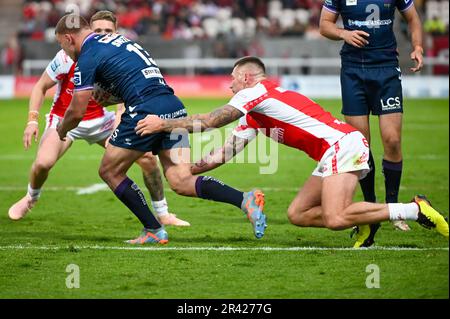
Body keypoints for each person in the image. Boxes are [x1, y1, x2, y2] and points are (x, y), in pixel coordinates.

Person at [135, 56, 449, 245]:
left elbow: (210, 121)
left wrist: (162, 125)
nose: (229, 87)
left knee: (336, 217)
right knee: (297, 214)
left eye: (232, 81)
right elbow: (223, 153)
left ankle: (414, 209)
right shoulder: (256, 114)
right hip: (333, 152)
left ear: (246, 78)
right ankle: (365, 219)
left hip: (342, 145)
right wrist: (186, 174)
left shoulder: (257, 92)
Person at [54, 15, 267, 244]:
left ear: (68, 38)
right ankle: (244, 199)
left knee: (110, 171)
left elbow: (76, 111)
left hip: (144, 110)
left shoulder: (88, 55)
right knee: (180, 179)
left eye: (62, 46)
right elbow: (131, 77)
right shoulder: (121, 41)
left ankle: (153, 229)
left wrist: (61, 129)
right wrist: (110, 96)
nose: (65, 52)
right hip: (172, 105)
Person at [8, 11, 190, 228]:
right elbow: (40, 86)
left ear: (115, 34)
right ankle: (31, 197)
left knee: (148, 160)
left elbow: (127, 93)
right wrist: (32, 120)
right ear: (88, 32)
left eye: (108, 31)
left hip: (101, 120)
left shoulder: (115, 51)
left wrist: (121, 120)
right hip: (66, 118)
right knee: (43, 163)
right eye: (98, 30)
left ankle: (162, 213)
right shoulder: (66, 56)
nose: (103, 34)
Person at [319, 0, 424, 239]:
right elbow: (324, 25)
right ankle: (371, 209)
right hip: (353, 71)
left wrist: (417, 46)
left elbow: (413, 19)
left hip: (386, 69)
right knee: (361, 147)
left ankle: (394, 208)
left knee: (393, 140)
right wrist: (343, 33)